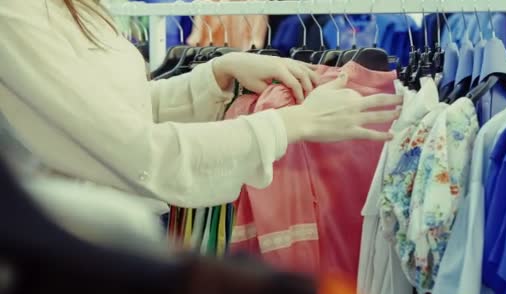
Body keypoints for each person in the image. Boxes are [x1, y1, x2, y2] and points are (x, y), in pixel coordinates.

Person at [0, 0, 402, 220]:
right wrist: (289, 123)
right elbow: (135, 151)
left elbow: (117, 109)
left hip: (106, 245)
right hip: (71, 261)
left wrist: (218, 74)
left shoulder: (72, 7)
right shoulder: (15, 14)